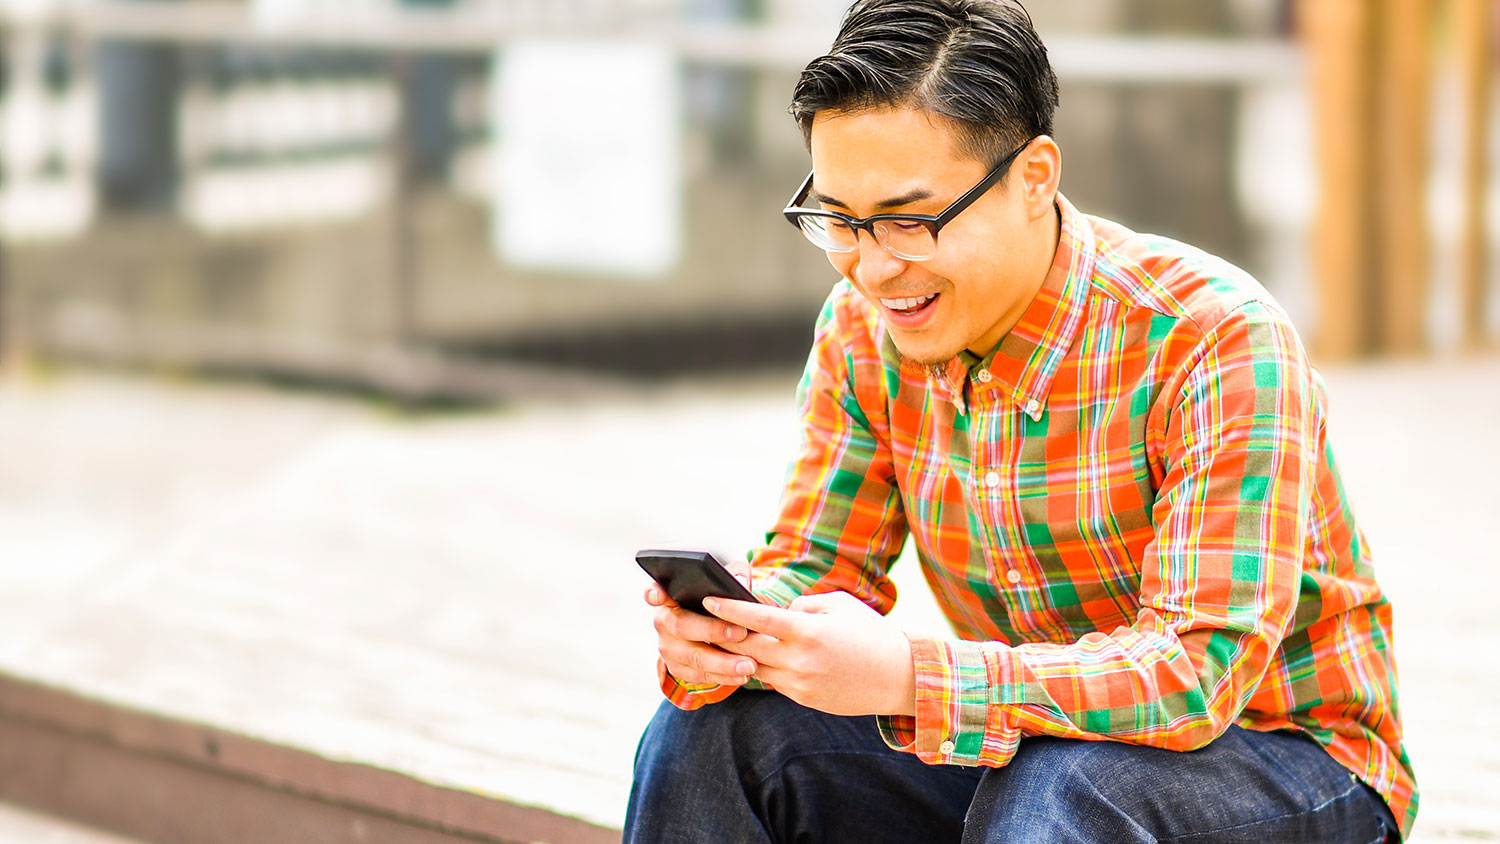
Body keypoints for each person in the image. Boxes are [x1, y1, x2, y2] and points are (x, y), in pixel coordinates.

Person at [625, 0, 1418, 841]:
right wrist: (739, 638)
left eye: (907, 217)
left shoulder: (1210, 337)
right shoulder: (864, 329)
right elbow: (819, 570)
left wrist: (910, 677)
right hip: (1030, 749)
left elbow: (1197, 676)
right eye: (841, 221)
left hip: (1287, 760)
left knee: (1062, 788)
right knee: (714, 732)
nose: (875, 267)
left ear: (1034, 177)